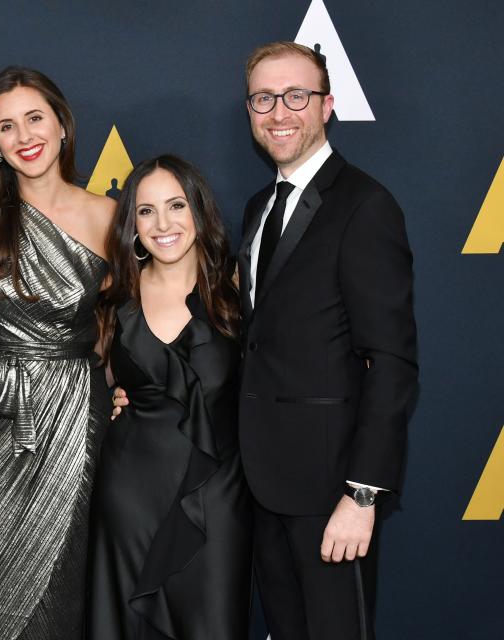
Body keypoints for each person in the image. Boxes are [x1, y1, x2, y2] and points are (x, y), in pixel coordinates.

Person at [238, 42, 417, 639]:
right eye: (264, 98)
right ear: (250, 110)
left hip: (332, 490)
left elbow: (391, 362)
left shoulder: (366, 205)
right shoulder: (259, 207)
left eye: (296, 96)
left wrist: (362, 495)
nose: (279, 112)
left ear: (327, 105)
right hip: (263, 485)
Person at [0, 66, 114, 640]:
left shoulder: (110, 217)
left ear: (62, 124)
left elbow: (127, 322)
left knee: (60, 592)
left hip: (71, 419)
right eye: (5, 126)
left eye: (34, 118)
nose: (23, 136)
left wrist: (129, 380)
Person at [88, 155, 252, 640]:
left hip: (217, 500)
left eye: (176, 205)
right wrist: (111, 398)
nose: (163, 224)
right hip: (129, 496)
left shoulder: (238, 291)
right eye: (145, 211)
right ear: (131, 224)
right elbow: (83, 377)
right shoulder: (114, 298)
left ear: (199, 211)